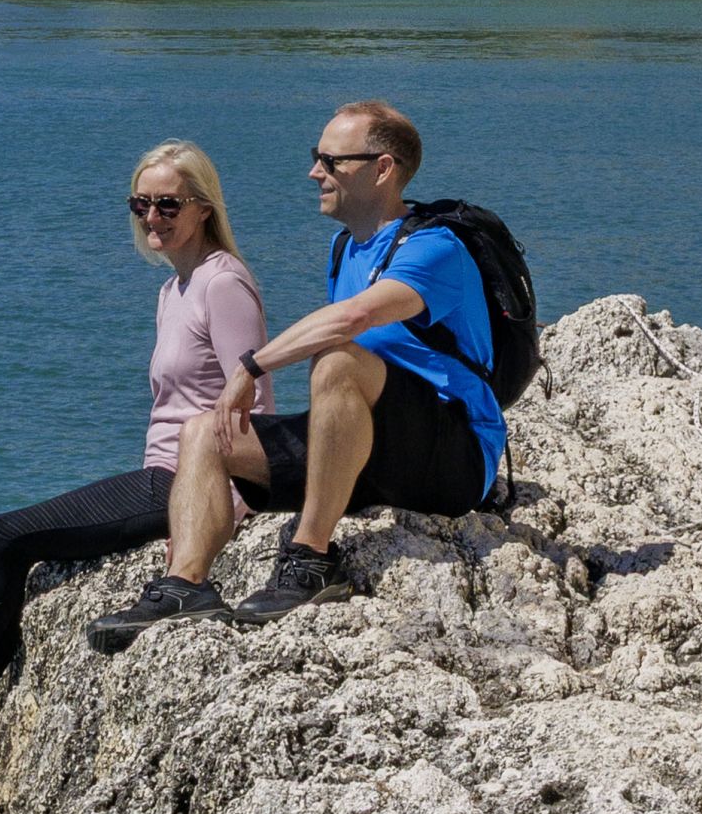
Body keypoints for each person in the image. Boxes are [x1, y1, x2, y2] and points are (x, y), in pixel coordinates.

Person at [0, 141, 264, 781]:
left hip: (188, 485)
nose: (153, 216)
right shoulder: (174, 288)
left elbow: (252, 399)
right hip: (163, 475)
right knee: (12, 547)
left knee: (5, 536)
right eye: (141, 203)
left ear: (203, 207)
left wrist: (225, 503)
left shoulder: (222, 283)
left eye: (168, 204)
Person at [88, 99, 505, 652]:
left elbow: (353, 319)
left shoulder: (433, 247)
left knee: (336, 360)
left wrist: (252, 366)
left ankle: (311, 560)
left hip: (451, 456)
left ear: (382, 169)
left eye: (331, 161)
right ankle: (186, 585)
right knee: (205, 432)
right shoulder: (345, 248)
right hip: (369, 451)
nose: (315, 172)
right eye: (317, 157)